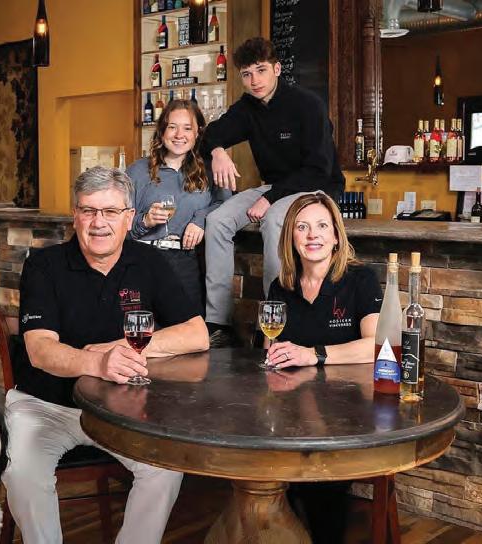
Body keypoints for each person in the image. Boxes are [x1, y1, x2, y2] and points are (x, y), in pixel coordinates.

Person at [4, 166, 210, 544]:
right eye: (88, 210)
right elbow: (39, 350)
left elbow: (197, 335)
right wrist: (97, 362)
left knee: (165, 468)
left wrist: (122, 347)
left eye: (111, 211)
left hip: (124, 408)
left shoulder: (149, 262)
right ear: (75, 215)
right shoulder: (44, 266)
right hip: (45, 406)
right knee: (22, 474)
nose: (99, 222)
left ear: (129, 218)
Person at [200, 37, 345, 346]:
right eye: (247, 74)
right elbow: (210, 134)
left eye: (261, 70)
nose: (255, 80)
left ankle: (274, 323)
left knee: (275, 218)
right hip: (276, 187)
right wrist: (218, 151)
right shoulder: (247, 108)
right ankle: (218, 323)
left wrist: (269, 198)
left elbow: (319, 168)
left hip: (316, 186)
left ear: (277, 69)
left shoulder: (308, 105)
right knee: (217, 221)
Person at [265, 192, 383, 544]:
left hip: (349, 413)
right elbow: (272, 351)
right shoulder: (281, 287)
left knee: (316, 482)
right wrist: (276, 355)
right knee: (260, 471)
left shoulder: (360, 279)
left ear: (335, 235)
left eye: (321, 226)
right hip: (293, 410)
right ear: (291, 237)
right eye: (302, 227)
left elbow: (378, 347)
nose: (312, 235)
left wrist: (313, 354)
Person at [127, 99, 230, 314]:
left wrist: (201, 219)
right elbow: (118, 222)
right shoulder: (137, 171)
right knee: (140, 327)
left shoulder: (210, 170)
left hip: (185, 263)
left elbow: (226, 205)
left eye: (187, 128)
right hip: (142, 260)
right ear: (162, 131)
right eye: (172, 127)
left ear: (197, 133)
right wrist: (145, 220)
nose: (179, 135)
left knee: (189, 327)